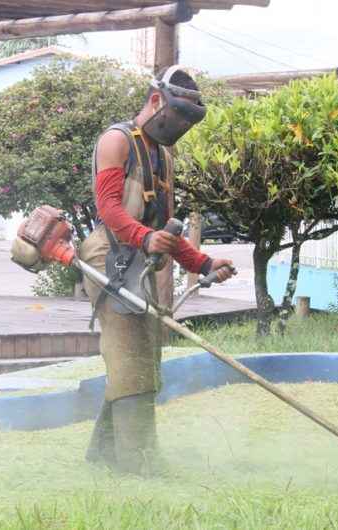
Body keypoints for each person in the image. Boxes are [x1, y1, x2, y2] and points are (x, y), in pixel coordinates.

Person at [80, 66, 234, 475]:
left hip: (141, 264)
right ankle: (138, 463)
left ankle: (104, 454)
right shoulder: (116, 141)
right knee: (131, 355)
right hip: (108, 260)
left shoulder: (162, 154)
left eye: (187, 121)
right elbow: (109, 209)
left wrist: (201, 262)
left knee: (145, 356)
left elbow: (164, 226)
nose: (180, 126)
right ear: (155, 101)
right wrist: (144, 238)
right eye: (176, 115)